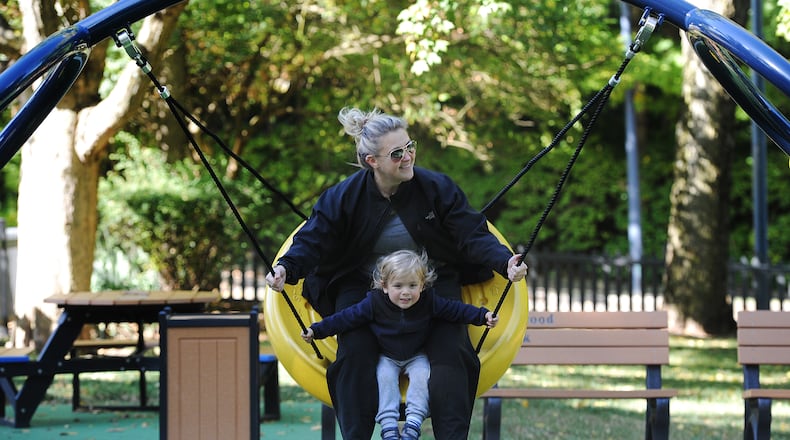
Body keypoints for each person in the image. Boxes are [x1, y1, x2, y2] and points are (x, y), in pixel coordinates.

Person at [266, 106, 527, 440]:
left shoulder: (436, 188)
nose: (409, 157)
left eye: (410, 146)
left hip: (429, 282)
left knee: (453, 354)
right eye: (397, 153)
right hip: (362, 285)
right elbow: (314, 238)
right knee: (354, 354)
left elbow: (471, 232)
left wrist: (505, 262)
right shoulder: (344, 197)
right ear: (372, 161)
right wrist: (286, 268)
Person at [300, 250, 499, 440]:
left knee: (423, 376)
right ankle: (388, 426)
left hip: (416, 356)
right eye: (398, 286)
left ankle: (413, 423)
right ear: (384, 286)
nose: (406, 292)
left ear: (422, 286)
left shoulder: (429, 302)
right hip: (387, 356)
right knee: (384, 377)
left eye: (413, 286)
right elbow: (344, 319)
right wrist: (316, 331)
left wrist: (483, 316)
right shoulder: (373, 303)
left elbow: (457, 310)